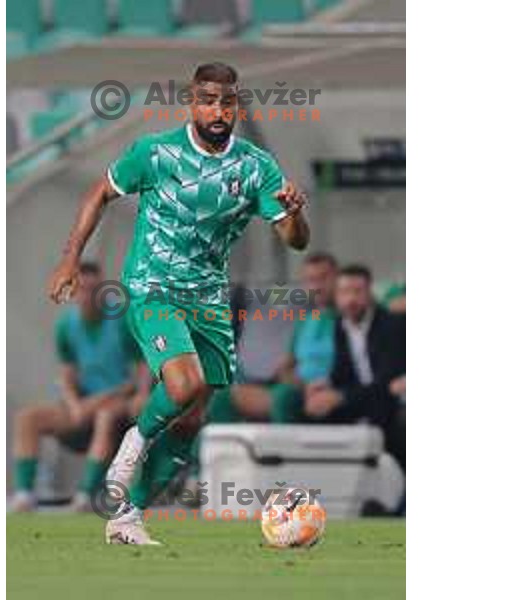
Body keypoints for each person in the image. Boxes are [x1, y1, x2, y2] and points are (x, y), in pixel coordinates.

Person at [48, 62, 310, 544]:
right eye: (208, 100)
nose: (218, 110)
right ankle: (133, 445)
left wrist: (294, 214)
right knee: (183, 383)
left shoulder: (256, 166)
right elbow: (100, 192)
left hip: (209, 299)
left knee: (192, 418)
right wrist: (69, 259)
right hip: (153, 286)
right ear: (193, 102)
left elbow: (294, 241)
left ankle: (128, 518)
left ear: (235, 105)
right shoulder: (156, 151)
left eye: (227, 102)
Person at [12, 262, 149, 512]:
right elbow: (67, 373)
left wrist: (140, 395)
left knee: (105, 416)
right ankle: (24, 495)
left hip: (118, 405)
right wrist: (75, 405)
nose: (87, 295)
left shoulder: (121, 322)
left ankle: (85, 496)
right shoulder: (66, 326)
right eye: (82, 289)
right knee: (27, 419)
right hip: (83, 407)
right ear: (72, 292)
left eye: (94, 289)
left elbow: (140, 370)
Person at [305, 265, 406, 477]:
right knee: (317, 410)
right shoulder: (340, 326)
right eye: (344, 292)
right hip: (361, 397)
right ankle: (332, 483)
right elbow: (342, 373)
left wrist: (340, 396)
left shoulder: (391, 325)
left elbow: (387, 382)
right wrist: (325, 385)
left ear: (369, 293)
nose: (351, 299)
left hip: (389, 398)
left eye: (357, 291)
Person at [231, 252, 338, 421]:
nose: (317, 286)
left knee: (283, 398)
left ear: (337, 278)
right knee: (221, 397)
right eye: (311, 280)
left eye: (323, 278)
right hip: (298, 387)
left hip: (332, 387)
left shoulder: (348, 315)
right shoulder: (305, 320)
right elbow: (286, 365)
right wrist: (294, 382)